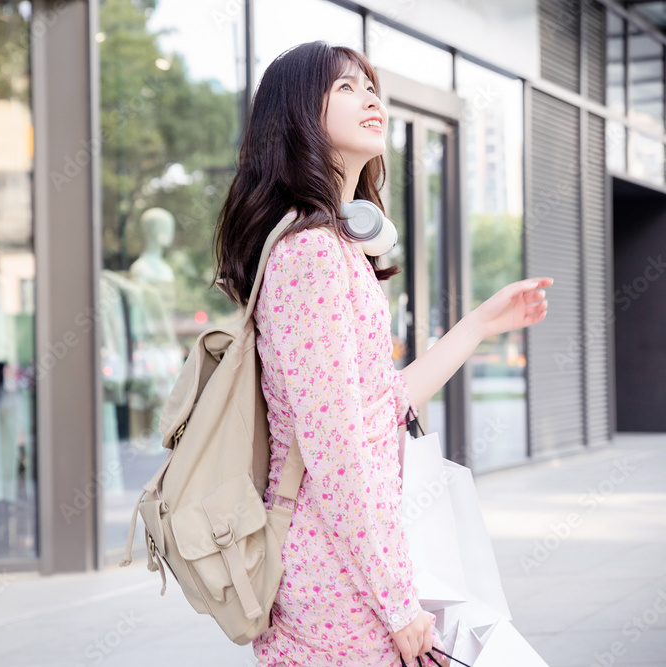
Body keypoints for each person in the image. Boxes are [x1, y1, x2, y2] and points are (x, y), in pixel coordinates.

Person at [212, 41, 552, 667]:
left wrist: (479, 324)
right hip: (338, 583)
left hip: (348, 565)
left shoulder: (336, 250)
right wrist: (397, 602)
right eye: (344, 87)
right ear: (296, 115)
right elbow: (337, 449)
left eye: (368, 83)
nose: (369, 95)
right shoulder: (313, 257)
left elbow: (377, 409)